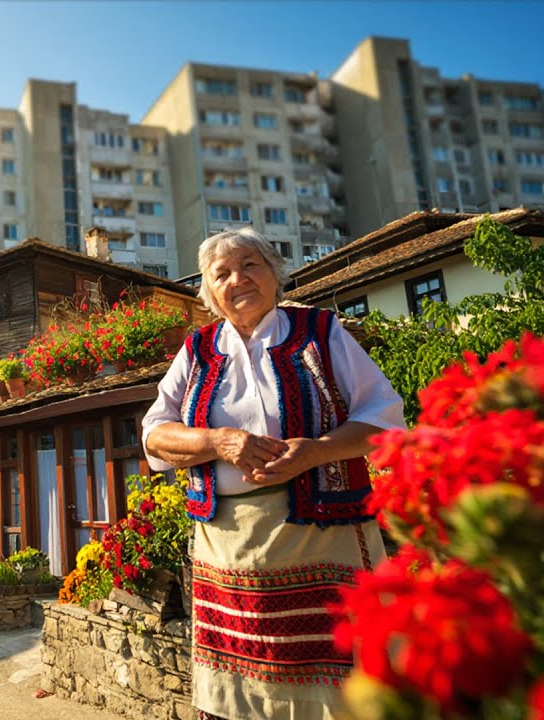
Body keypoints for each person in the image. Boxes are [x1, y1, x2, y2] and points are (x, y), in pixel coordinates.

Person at [142, 227, 405, 720]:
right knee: (239, 687)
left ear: (275, 275)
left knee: (344, 679)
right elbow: (155, 435)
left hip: (326, 539)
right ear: (209, 293)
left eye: (250, 265)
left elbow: (383, 418)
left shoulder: (321, 333)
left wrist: (316, 452)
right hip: (227, 548)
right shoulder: (197, 350)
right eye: (221, 274)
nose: (237, 279)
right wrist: (217, 441)